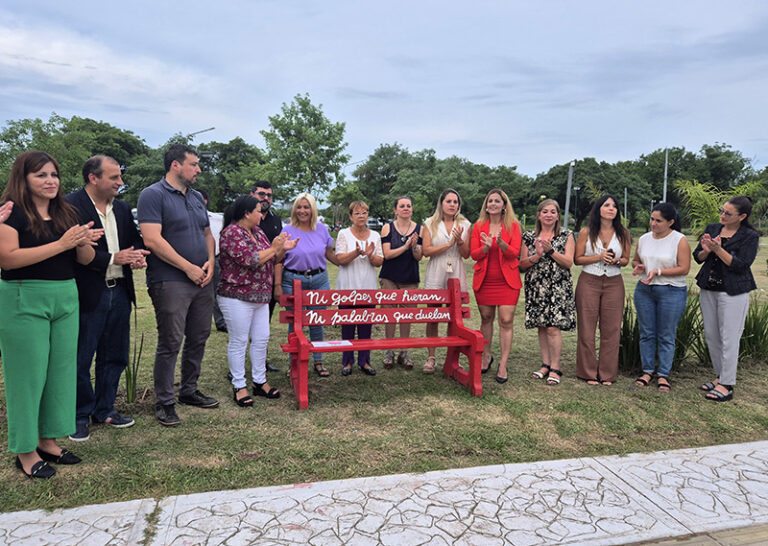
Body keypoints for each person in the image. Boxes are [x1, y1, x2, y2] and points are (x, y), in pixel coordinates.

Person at [0, 151, 101, 478]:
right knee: (27, 377)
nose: (50, 181)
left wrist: (82, 241)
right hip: (23, 296)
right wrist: (62, 243)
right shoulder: (11, 213)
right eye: (41, 175)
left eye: (54, 175)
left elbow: (85, 259)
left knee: (60, 373)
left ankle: (48, 439)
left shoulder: (66, 212)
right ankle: (25, 450)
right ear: (23, 178)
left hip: (65, 296)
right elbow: (9, 259)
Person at [67, 156, 149, 441]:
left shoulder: (123, 208)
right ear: (93, 177)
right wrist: (113, 258)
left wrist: (136, 255)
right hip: (87, 293)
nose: (120, 183)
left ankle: (105, 409)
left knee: (114, 355)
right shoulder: (69, 206)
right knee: (80, 357)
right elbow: (69, 253)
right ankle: (78, 414)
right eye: (114, 177)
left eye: (120, 177)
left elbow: (135, 241)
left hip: (120, 291)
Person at [137, 144, 219, 427]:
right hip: (171, 280)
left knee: (199, 336)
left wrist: (210, 261)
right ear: (175, 165)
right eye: (194, 164)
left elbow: (207, 233)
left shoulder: (196, 197)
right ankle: (165, 401)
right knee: (171, 341)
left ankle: (189, 390)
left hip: (202, 279)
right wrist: (188, 268)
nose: (198, 170)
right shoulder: (152, 195)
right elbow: (152, 239)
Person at [218, 196, 296, 406]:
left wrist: (282, 249)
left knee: (261, 339)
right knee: (239, 341)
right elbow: (250, 259)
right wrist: (275, 247)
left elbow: (270, 258)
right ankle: (239, 385)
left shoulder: (258, 232)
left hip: (261, 296)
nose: (262, 215)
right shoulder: (232, 233)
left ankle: (260, 382)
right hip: (237, 296)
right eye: (258, 211)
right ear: (246, 213)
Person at [693, 196, 759, 402]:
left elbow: (740, 265)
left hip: (733, 292)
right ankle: (720, 376)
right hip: (708, 288)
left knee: (730, 337)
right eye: (722, 211)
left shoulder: (749, 236)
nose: (722, 215)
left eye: (728, 213)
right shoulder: (713, 228)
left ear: (742, 216)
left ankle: (727, 384)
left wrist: (718, 249)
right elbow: (698, 257)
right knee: (712, 336)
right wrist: (705, 250)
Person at [274, 193, 339, 377]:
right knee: (296, 324)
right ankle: (294, 364)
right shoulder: (287, 229)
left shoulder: (322, 229)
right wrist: (277, 285)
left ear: (313, 209)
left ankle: (318, 361)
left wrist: (350, 258)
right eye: (299, 207)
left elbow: (330, 255)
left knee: (317, 321)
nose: (302, 211)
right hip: (293, 280)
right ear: (294, 209)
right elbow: (278, 259)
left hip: (319, 279)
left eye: (306, 207)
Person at [631, 203, 691, 392]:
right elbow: (636, 260)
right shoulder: (644, 238)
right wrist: (639, 266)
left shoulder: (679, 240)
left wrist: (658, 271)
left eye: (658, 221)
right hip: (645, 290)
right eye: (652, 219)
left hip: (671, 291)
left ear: (670, 222)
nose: (653, 224)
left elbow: (684, 268)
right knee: (647, 333)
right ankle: (647, 371)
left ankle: (663, 374)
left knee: (666, 335)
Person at [574, 195, 632, 386]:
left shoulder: (623, 233)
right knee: (586, 328)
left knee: (612, 329)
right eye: (607, 205)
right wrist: (599, 257)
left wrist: (616, 260)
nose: (611, 209)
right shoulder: (587, 232)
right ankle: (588, 372)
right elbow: (578, 259)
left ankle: (607, 373)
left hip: (614, 282)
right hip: (589, 280)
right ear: (598, 209)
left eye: (614, 206)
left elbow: (625, 260)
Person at [519, 199, 576, 386]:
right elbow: (522, 265)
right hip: (536, 285)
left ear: (558, 216)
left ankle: (555, 367)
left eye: (553, 212)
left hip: (558, 286)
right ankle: (545, 363)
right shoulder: (528, 236)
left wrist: (550, 251)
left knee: (553, 327)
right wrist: (536, 256)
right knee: (542, 325)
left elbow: (568, 262)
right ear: (538, 214)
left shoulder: (566, 235)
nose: (549, 215)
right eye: (545, 211)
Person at [470, 188, 522, 384]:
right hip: (485, 281)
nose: (492, 204)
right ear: (486, 205)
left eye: (497, 201)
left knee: (506, 320)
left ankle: (503, 364)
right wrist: (485, 247)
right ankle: (487, 356)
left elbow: (514, 253)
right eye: (490, 201)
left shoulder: (513, 226)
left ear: (504, 205)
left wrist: (500, 243)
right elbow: (474, 254)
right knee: (486, 318)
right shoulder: (478, 226)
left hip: (507, 282)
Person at [421, 189, 471, 374]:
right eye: (448, 201)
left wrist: (458, 242)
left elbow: (466, 254)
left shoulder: (465, 224)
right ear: (441, 203)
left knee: (455, 317)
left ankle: (453, 357)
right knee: (433, 315)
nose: (452, 205)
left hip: (455, 270)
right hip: (436, 270)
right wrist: (447, 245)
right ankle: (431, 357)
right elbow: (426, 251)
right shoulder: (430, 223)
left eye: (455, 202)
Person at [335, 200, 384, 376]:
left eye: (364, 213)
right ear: (350, 216)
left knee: (366, 327)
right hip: (347, 287)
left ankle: (365, 361)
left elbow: (379, 262)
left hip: (368, 287)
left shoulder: (375, 236)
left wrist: (370, 255)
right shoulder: (343, 234)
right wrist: (356, 252)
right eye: (357, 213)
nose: (361, 216)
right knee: (347, 326)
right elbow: (340, 259)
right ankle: (347, 362)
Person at [379, 196, 423, 369]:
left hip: (410, 277)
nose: (406, 208)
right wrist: (405, 247)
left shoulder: (420, 229)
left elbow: (420, 256)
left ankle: (404, 351)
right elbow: (387, 254)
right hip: (390, 276)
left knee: (407, 316)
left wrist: (414, 247)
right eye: (402, 206)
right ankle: (389, 350)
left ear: (412, 209)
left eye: (409, 206)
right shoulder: (387, 228)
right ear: (395, 210)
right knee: (389, 314)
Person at [249, 181, 283, 372]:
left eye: (269, 195)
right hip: (247, 280)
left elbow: (278, 256)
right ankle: (236, 367)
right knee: (243, 327)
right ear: (252, 195)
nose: (266, 198)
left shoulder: (275, 220)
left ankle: (261, 361)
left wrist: (277, 284)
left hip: (268, 280)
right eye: (262, 194)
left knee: (263, 325)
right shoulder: (241, 218)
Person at [199, 189, 227, 333]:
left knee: (216, 290)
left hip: (214, 258)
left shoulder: (217, 219)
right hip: (193, 258)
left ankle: (220, 321)